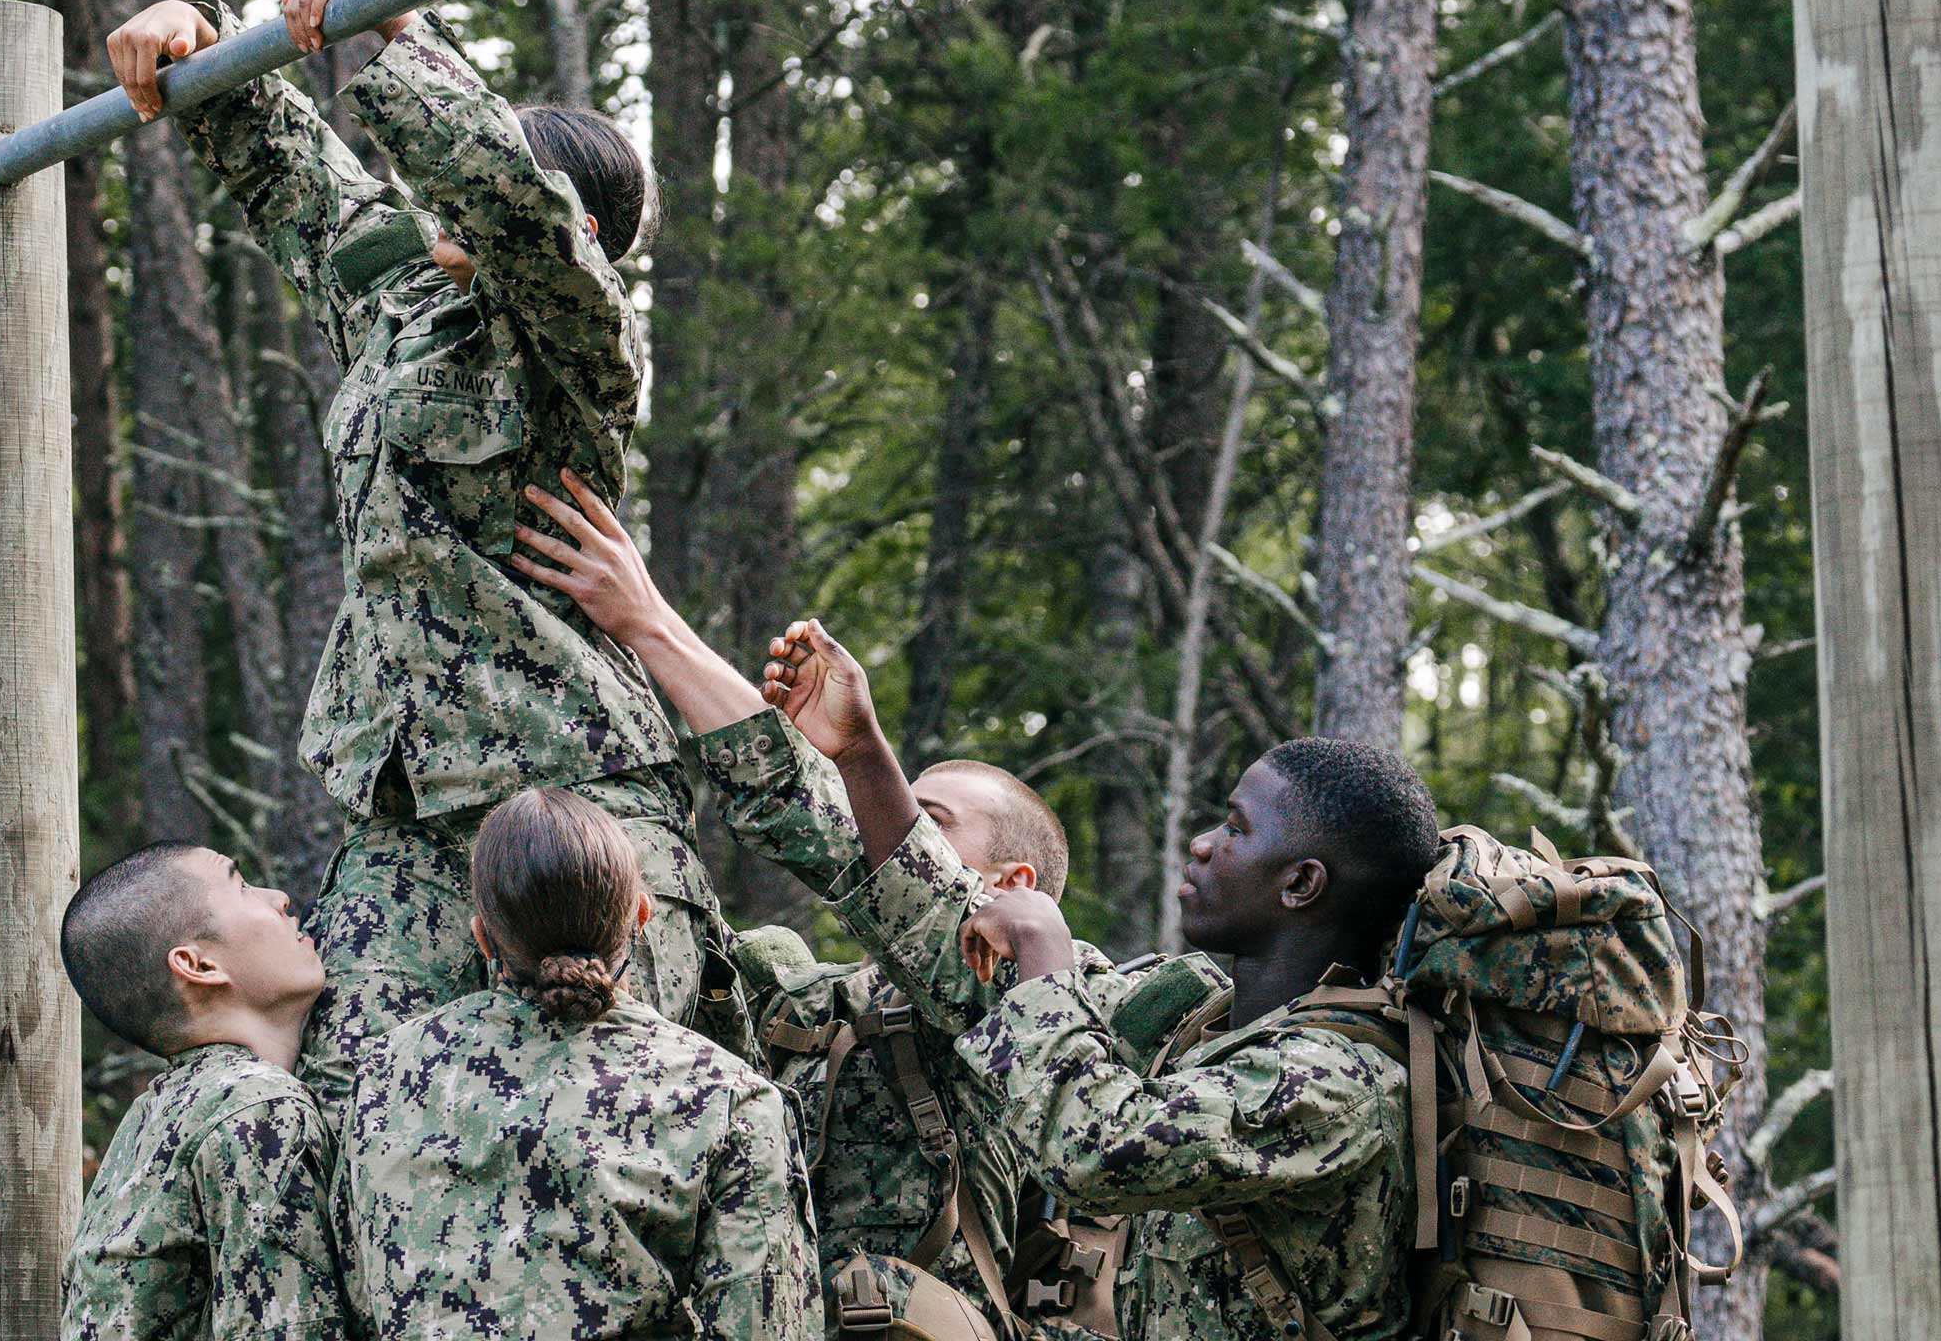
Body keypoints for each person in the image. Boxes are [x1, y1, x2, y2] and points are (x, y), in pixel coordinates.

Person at [104, 0, 735, 1109]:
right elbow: (303, 186)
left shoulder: (582, 347)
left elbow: (509, 201)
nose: (431, 200)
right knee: (349, 1109)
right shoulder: (405, 308)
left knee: (599, 1116)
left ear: (575, 227)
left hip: (568, 806)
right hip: (403, 819)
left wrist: (401, 27)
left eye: (460, 180)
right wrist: (196, 49)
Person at [510, 473, 1226, 1338]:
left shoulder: (1045, 1005)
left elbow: (836, 836)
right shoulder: (805, 1000)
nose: (894, 828)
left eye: (932, 821)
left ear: (1014, 888)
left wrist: (652, 626)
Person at [760, 622, 1443, 1341]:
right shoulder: (1202, 1019)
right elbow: (936, 926)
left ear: (1301, 884)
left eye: (1237, 830)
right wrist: (863, 752)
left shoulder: (1336, 1081)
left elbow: (1096, 1150)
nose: (1204, 843)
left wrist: (1042, 947)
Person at [332, 787, 824, 1339]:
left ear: (482, 938)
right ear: (642, 915)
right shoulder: (728, 1096)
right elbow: (767, 1325)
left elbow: (359, 1292)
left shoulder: (387, 1075)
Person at [59, 844, 347, 1340]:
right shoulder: (257, 1109)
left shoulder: (157, 1113)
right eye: (242, 886)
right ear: (199, 965)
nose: (278, 898)